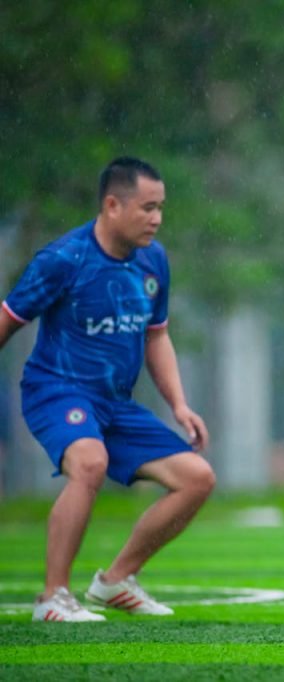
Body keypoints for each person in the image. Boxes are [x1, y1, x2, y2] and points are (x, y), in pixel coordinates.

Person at [0, 157, 215, 622]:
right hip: (57, 390)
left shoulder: (153, 261)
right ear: (113, 205)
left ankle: (115, 581)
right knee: (90, 463)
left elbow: (156, 335)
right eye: (148, 208)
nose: (157, 219)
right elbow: (8, 320)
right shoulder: (63, 259)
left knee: (197, 479)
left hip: (115, 404)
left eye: (161, 208)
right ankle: (53, 597)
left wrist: (179, 404)